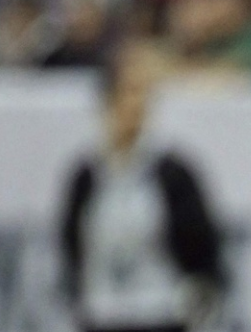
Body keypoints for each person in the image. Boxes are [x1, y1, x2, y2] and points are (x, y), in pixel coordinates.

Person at [59, 49, 229, 332]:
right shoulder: (87, 174)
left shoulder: (172, 173)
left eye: (142, 95)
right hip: (102, 314)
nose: (136, 105)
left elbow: (201, 244)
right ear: (107, 102)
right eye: (127, 94)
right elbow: (71, 243)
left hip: (160, 313)